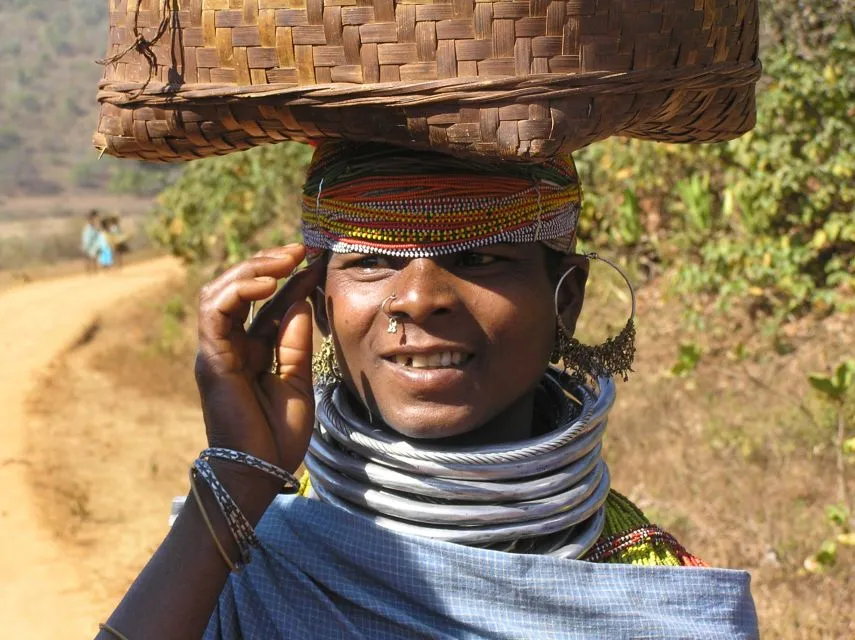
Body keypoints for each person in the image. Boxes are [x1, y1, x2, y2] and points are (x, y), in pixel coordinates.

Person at [96, 142, 758, 640]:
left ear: (568, 299)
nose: (416, 299)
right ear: (320, 306)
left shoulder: (652, 593)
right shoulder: (241, 557)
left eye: (478, 258)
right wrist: (239, 474)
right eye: (371, 261)